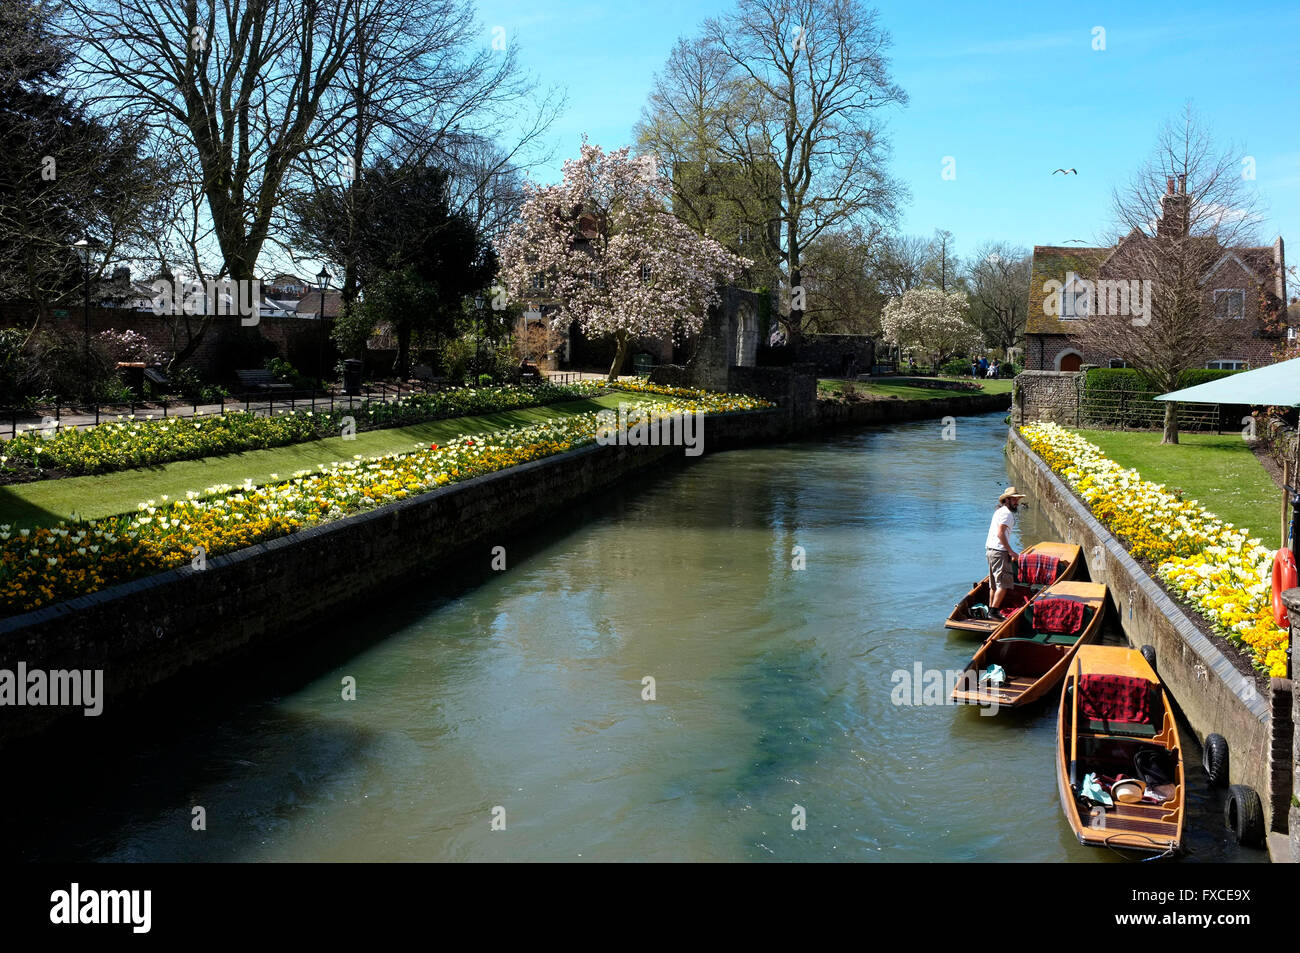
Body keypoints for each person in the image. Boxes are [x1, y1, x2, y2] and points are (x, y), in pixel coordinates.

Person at [986, 487, 1026, 618]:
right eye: (1014, 499)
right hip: (999, 552)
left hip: (991, 550)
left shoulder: (999, 511)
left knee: (994, 584)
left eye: (1017, 499)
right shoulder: (1006, 514)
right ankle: (994, 611)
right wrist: (1011, 552)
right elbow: (1000, 534)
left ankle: (990, 610)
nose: (1017, 502)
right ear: (1007, 500)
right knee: (1003, 584)